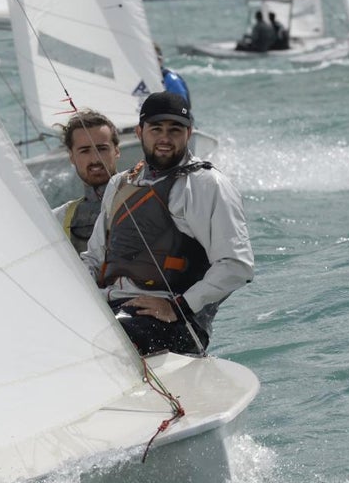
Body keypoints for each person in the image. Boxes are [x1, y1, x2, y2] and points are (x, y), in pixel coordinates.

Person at [81, 91, 253, 355]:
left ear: (189, 133)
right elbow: (93, 258)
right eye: (156, 128)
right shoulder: (120, 184)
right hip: (110, 309)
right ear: (139, 132)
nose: (165, 138)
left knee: (109, 342)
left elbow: (237, 265)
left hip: (175, 321)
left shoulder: (207, 185)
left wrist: (178, 307)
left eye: (175, 130)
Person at [53, 110, 120, 254]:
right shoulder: (57, 220)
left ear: (116, 151)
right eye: (84, 151)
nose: (95, 159)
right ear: (71, 157)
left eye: (102, 149)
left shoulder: (144, 199)